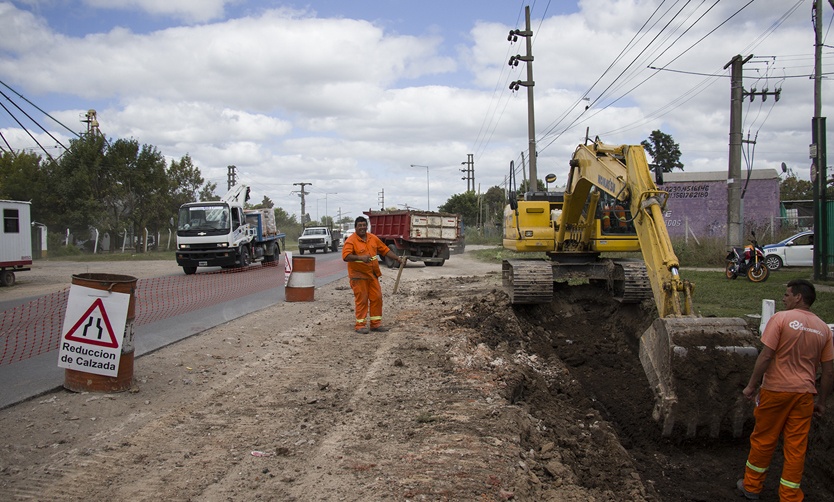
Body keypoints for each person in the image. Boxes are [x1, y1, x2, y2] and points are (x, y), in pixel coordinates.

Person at [737, 279, 834, 501]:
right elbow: (828, 372)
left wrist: (752, 385)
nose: (784, 298)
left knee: (764, 439)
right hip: (804, 396)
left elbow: (766, 355)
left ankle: (751, 487)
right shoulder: (823, 328)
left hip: (776, 391)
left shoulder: (780, 319)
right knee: (796, 446)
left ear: (798, 297)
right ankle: (790, 496)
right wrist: (822, 402)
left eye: (787, 294)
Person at [342, 216, 405, 334]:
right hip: (358, 276)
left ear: (367, 226)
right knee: (362, 300)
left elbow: (385, 250)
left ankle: (375, 324)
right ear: (355, 227)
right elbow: (346, 256)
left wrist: (397, 258)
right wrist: (360, 258)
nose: (362, 228)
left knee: (377, 298)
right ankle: (360, 325)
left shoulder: (373, 238)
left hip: (372, 275)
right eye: (359, 226)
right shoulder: (351, 241)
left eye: (364, 225)